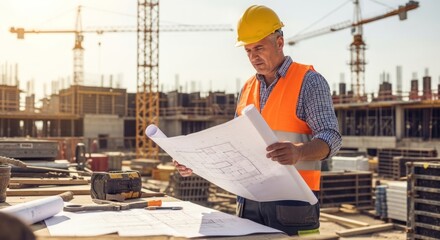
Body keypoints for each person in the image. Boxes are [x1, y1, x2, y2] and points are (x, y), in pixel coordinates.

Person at [174, 5, 341, 236]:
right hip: (249, 201)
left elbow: (331, 137)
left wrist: (299, 152)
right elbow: (232, 146)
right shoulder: (247, 88)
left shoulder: (309, 82)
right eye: (248, 50)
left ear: (279, 43)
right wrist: (196, 163)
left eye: (259, 48)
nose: (253, 57)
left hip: (293, 204)